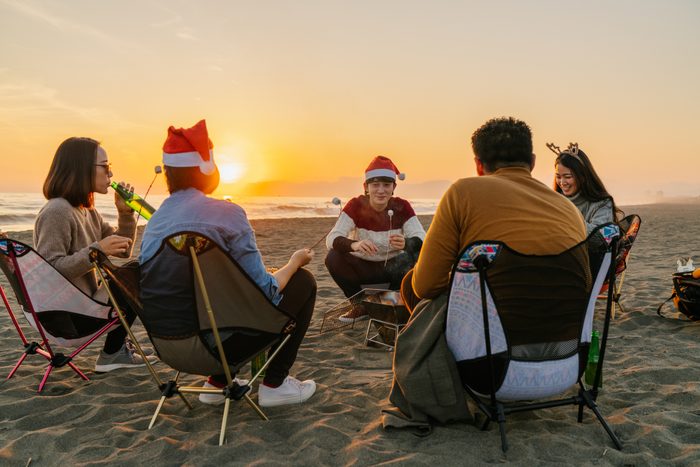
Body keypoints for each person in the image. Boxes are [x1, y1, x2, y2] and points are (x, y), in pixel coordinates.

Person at [139, 120, 317, 408]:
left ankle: (218, 381)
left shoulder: (156, 221)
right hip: (221, 347)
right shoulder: (228, 214)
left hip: (168, 347)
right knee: (303, 282)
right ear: (208, 168)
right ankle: (274, 384)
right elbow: (266, 292)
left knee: (211, 295)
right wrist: (294, 262)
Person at [402, 117, 587, 311]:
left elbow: (425, 286)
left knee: (410, 284)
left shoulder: (462, 193)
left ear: (478, 165)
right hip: (564, 331)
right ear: (532, 162)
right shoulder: (569, 209)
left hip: (493, 334)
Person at [34, 136, 149, 372]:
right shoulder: (57, 211)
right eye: (105, 166)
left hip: (84, 304)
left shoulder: (88, 211)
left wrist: (125, 215)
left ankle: (115, 352)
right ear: (81, 168)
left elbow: (124, 250)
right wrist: (96, 252)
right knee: (134, 272)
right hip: (66, 316)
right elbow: (49, 269)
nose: (111, 174)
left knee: (134, 269)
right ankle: (113, 353)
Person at [325, 156, 426, 322]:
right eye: (375, 185)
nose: (381, 190)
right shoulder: (355, 205)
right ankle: (359, 305)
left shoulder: (403, 207)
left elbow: (422, 238)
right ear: (366, 187)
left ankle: (388, 302)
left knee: (416, 254)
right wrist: (354, 244)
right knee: (333, 257)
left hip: (393, 270)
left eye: (386, 185)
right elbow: (331, 239)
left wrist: (407, 243)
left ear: (393, 187)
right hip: (363, 269)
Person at [549, 142, 623, 234]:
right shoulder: (553, 202)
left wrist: (566, 220)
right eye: (558, 177)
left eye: (568, 177)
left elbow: (599, 236)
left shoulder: (602, 204)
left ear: (583, 176)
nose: (562, 182)